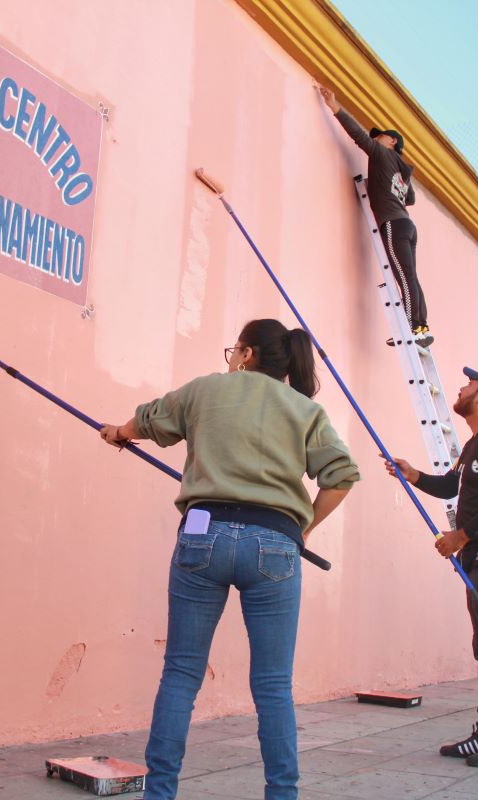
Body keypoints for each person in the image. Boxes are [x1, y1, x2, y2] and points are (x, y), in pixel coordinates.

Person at [100, 319, 360, 799]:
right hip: (276, 544)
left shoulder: (205, 392)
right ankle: (282, 794)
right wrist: (301, 529)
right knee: (273, 685)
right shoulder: (305, 410)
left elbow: (149, 419)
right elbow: (341, 475)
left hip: (203, 534)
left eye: (233, 350)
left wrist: (118, 432)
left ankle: (160, 794)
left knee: (181, 672)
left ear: (245, 353)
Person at [383, 367, 478, 767]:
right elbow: (453, 486)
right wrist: (413, 475)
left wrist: (461, 536)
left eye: (470, 384)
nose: (462, 387)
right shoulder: (476, 443)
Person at [318, 85, 432, 348]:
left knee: (403, 276)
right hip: (407, 225)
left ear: (393, 141)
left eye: (381, 136)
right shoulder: (402, 172)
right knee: (410, 275)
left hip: (392, 223)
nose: (377, 139)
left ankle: (412, 328)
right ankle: (421, 325)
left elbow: (360, 137)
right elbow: (411, 198)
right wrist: (382, 186)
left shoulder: (383, 154)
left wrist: (335, 107)